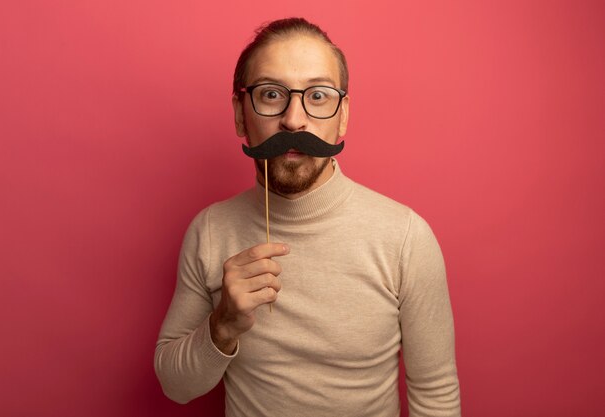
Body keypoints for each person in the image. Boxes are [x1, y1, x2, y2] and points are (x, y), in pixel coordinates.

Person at [154, 17, 461, 417]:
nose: (294, 120)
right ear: (239, 114)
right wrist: (222, 326)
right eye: (270, 94)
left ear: (343, 116)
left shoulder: (405, 238)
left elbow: (436, 395)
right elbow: (175, 387)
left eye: (317, 96)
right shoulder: (210, 231)